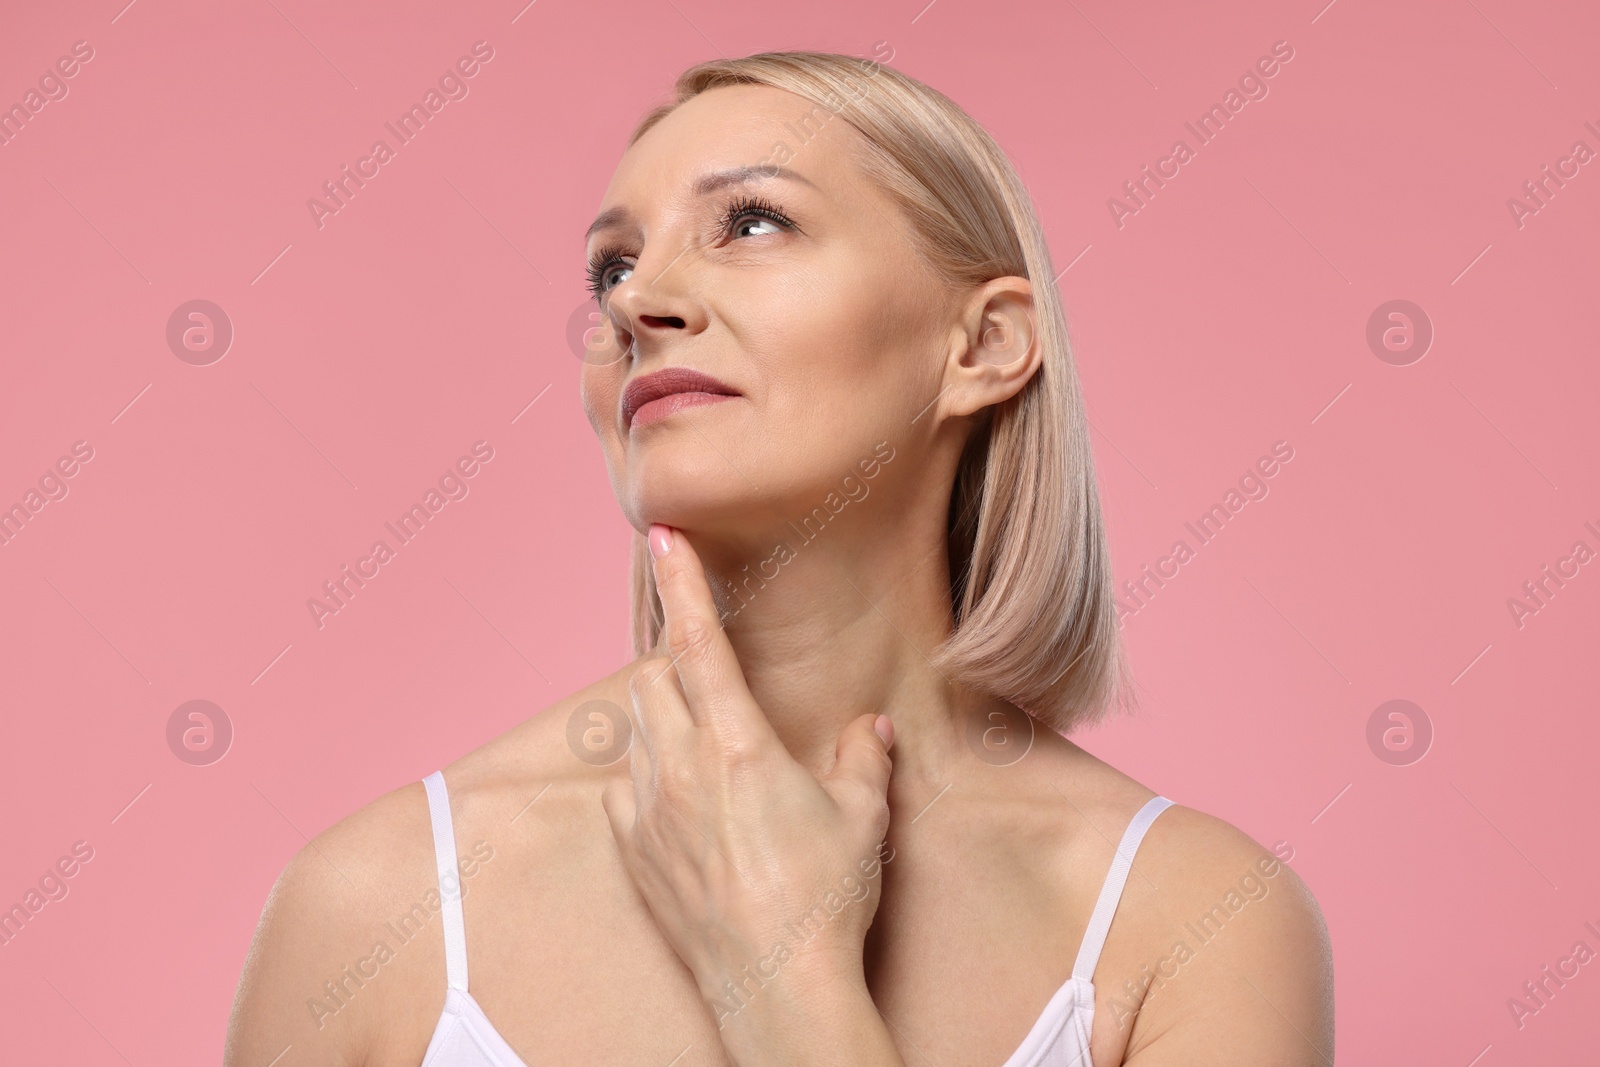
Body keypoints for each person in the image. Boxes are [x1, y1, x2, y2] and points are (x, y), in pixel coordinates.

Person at [224, 49, 1333, 1066]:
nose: (636, 303)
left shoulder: (1198, 924)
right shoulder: (374, 905)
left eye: (752, 223)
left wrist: (782, 972)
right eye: (611, 265)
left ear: (984, 344)